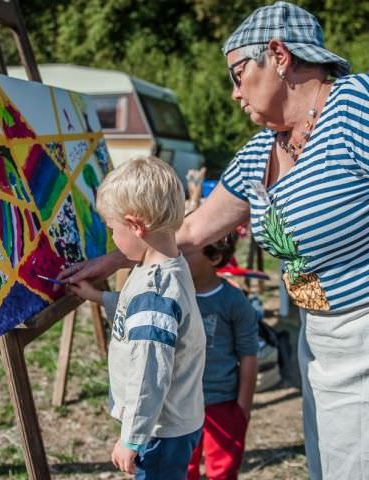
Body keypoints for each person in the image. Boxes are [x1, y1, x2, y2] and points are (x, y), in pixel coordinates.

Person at [59, 2, 369, 478]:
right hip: (321, 339)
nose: (232, 93)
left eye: (238, 74)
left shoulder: (354, 106)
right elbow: (185, 233)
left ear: (279, 55)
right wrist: (114, 259)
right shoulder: (260, 153)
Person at [68, 156, 206, 479]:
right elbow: (147, 318)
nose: (113, 240)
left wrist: (132, 438)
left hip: (158, 430)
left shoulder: (154, 293)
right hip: (172, 421)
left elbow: (149, 374)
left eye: (113, 230)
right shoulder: (166, 266)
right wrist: (101, 297)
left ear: (135, 225)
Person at [185, 233, 258, 480]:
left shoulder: (233, 301)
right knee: (182, 469)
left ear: (214, 257)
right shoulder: (171, 296)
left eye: (186, 252)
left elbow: (248, 355)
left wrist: (242, 409)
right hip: (179, 404)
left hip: (222, 402)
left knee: (223, 471)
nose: (176, 257)